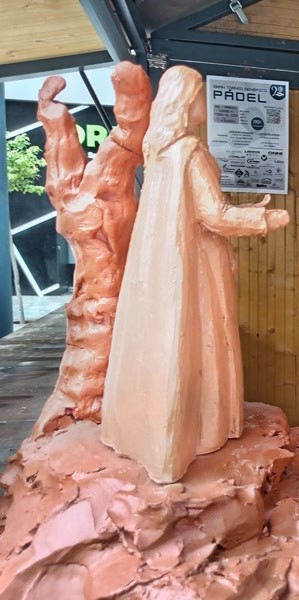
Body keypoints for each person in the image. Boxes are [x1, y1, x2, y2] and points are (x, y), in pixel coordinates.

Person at [101, 65, 290, 483]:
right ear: (186, 102)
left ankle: (146, 433)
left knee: (168, 341)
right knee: (203, 337)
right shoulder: (191, 153)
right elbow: (214, 216)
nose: (205, 102)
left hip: (164, 265)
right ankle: (204, 429)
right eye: (200, 94)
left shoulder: (159, 153)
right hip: (198, 265)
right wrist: (266, 219)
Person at [32, 62, 151, 435]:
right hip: (97, 242)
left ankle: (57, 112)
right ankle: (61, 110)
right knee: (106, 158)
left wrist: (52, 117)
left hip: (88, 228)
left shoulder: (82, 194)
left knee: (74, 166)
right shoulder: (101, 193)